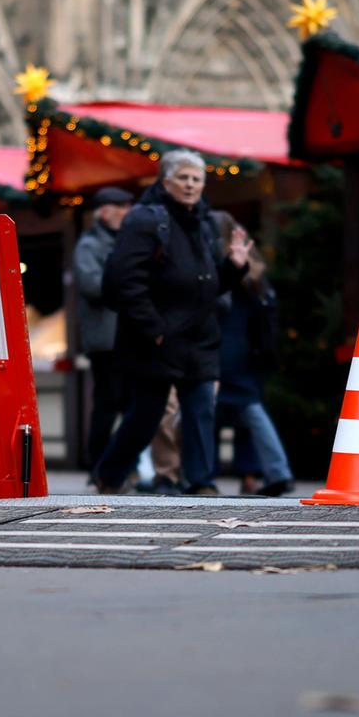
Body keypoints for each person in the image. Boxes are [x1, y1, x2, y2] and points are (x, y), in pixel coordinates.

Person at [93, 149, 252, 495]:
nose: (191, 184)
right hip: (157, 339)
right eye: (184, 177)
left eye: (197, 179)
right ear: (166, 181)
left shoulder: (204, 222)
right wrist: (153, 329)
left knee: (200, 412)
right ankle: (110, 473)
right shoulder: (146, 220)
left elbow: (205, 284)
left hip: (199, 338)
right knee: (146, 415)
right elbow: (124, 280)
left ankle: (200, 482)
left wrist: (234, 268)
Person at [210, 211, 293, 497]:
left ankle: (207, 476)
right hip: (254, 352)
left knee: (215, 413)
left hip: (225, 349)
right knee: (247, 412)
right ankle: (256, 474)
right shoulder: (255, 269)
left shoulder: (223, 265)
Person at [73, 186, 134, 472]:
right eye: (120, 207)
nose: (126, 212)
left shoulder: (124, 241)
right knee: (108, 403)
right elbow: (91, 285)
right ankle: (98, 464)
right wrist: (129, 285)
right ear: (104, 212)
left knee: (128, 402)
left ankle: (123, 464)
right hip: (106, 339)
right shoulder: (90, 244)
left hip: (127, 336)